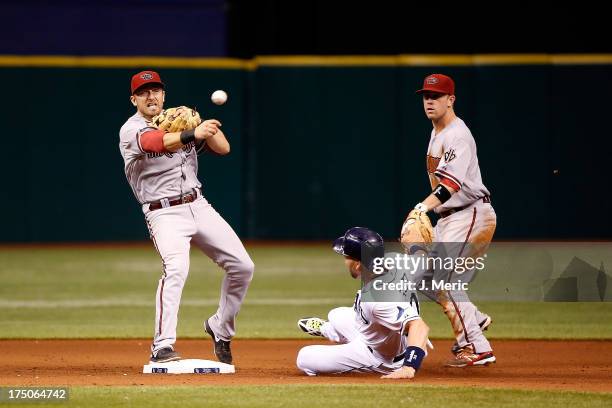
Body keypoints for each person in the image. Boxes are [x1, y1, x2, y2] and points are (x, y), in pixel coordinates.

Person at [118, 70, 254, 364]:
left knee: (243, 266)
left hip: (199, 204)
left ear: (163, 95)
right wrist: (193, 132)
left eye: (155, 91)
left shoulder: (181, 119)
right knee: (176, 269)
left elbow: (224, 149)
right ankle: (162, 345)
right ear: (134, 100)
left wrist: (206, 127)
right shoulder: (131, 130)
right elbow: (156, 143)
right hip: (163, 212)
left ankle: (220, 327)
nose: (150, 96)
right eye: (143, 93)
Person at [402, 73, 496, 367]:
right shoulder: (437, 132)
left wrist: (422, 208)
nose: (429, 101)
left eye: (436, 96)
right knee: (426, 280)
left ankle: (477, 347)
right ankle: (474, 320)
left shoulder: (457, 134)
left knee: (447, 280)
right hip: (452, 216)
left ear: (450, 100)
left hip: (470, 213)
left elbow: (451, 186)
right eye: (426, 96)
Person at [296, 227, 430, 379]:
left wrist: (409, 367)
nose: (344, 260)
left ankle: (374, 362)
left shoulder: (377, 298)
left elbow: (419, 326)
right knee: (336, 314)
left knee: (304, 357)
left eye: (347, 257)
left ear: (358, 264)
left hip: (383, 357)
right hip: (395, 337)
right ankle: (328, 330)